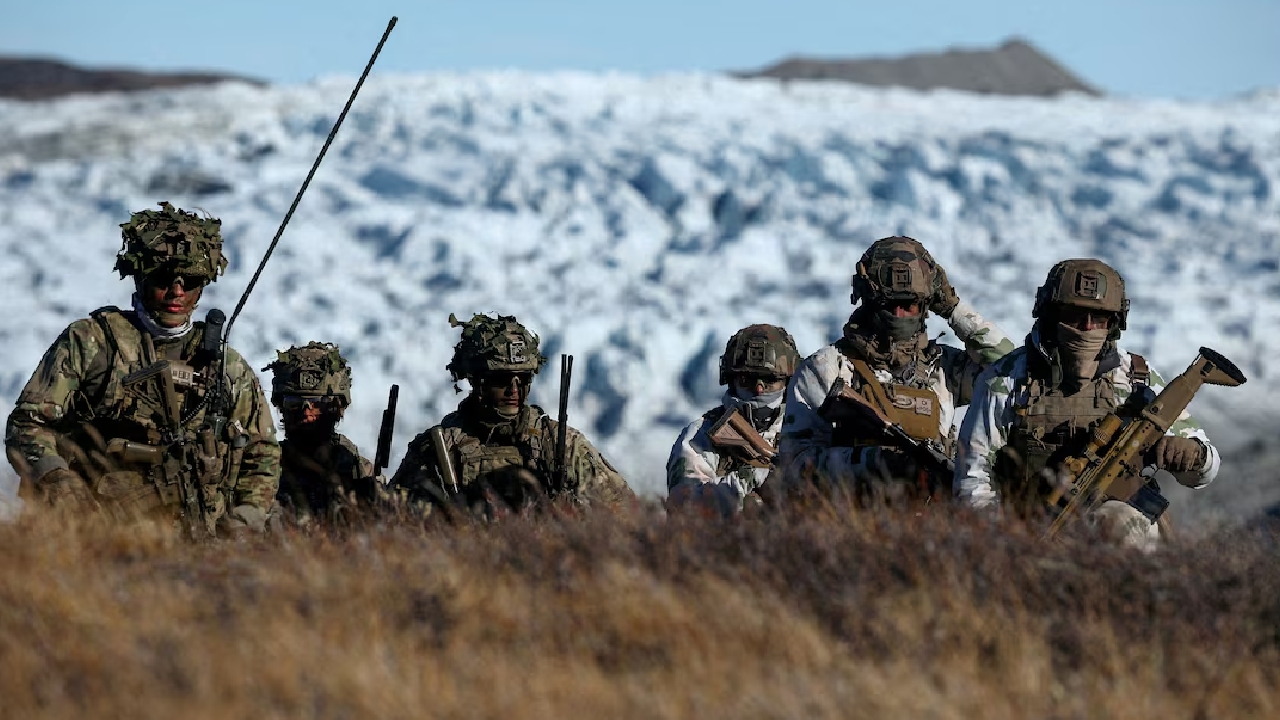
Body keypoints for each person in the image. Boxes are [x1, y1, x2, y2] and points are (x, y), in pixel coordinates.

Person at [5, 201, 280, 536]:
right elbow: (28, 423)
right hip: (92, 536)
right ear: (140, 277)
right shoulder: (94, 341)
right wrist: (58, 481)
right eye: (164, 279)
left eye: (190, 281)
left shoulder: (226, 366)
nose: (177, 292)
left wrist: (245, 518)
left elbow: (262, 451)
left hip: (201, 542)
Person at [954, 258, 1219, 548]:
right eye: (1074, 316)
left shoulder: (1135, 379)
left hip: (1118, 529)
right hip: (1030, 530)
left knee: (1123, 525)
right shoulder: (1006, 380)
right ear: (1050, 316)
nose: (1087, 327)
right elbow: (973, 477)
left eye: (1099, 318)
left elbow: (1204, 472)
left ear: (1114, 324)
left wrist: (1193, 455)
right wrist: (1002, 541)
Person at [774, 236, 1014, 503]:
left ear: (926, 306)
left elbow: (1011, 371)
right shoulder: (827, 368)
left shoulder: (944, 368)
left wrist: (953, 309)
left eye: (909, 304)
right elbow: (794, 466)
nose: (899, 314)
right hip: (849, 525)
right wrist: (871, 463)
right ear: (868, 300)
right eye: (889, 304)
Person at [390, 313, 633, 517]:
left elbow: (624, 511)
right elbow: (396, 520)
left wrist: (572, 514)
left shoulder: (559, 444)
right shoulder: (439, 448)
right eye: (501, 380)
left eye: (523, 378)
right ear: (477, 381)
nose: (514, 389)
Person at [666, 324, 800, 515]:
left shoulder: (805, 428)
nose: (759, 389)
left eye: (770, 380)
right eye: (747, 379)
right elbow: (684, 510)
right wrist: (748, 478)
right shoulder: (700, 436)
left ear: (788, 381)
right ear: (731, 379)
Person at [264, 342, 383, 526]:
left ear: (337, 408)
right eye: (294, 403)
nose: (306, 413)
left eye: (317, 403)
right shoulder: (262, 468)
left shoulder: (358, 470)